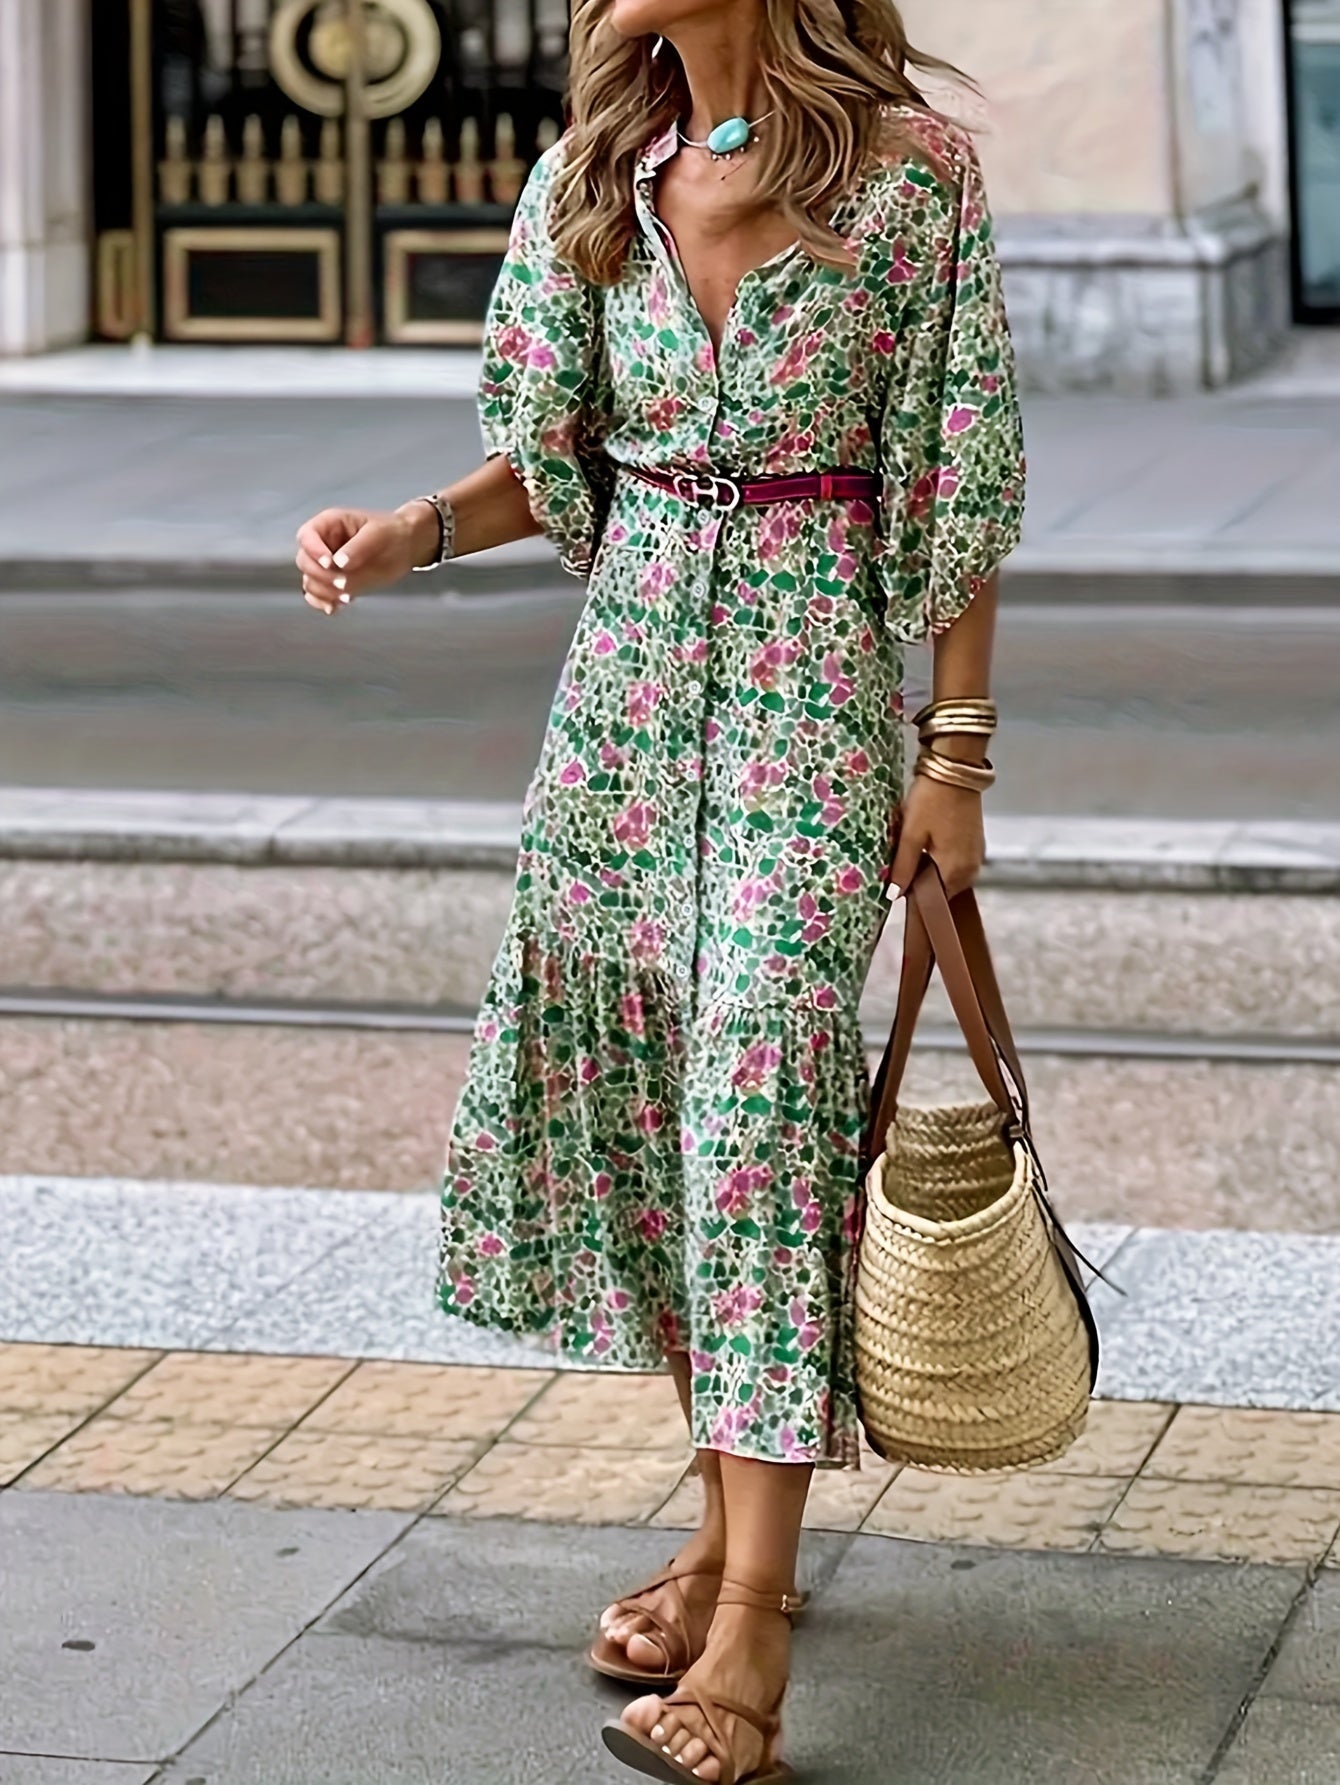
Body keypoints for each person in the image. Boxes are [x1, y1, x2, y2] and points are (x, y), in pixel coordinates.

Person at [295, 0, 1024, 1775]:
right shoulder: (591, 179)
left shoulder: (911, 183)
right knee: (657, 1118)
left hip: (806, 689)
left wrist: (959, 754)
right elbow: (560, 471)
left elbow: (956, 485)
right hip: (622, 709)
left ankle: (758, 1624)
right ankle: (720, 1530)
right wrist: (412, 531)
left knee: (762, 1102)